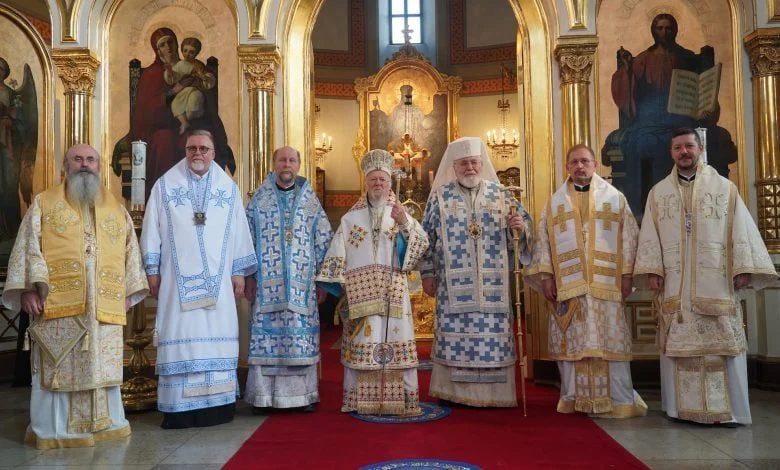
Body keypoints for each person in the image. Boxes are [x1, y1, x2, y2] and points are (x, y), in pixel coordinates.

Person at [2, 144, 148, 449]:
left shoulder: (115, 208)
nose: (84, 165)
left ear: (99, 166)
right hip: (56, 305)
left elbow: (130, 254)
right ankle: (55, 431)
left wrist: (124, 293)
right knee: (58, 366)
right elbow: (28, 248)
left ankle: (105, 425)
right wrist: (29, 288)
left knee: (100, 364)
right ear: (65, 167)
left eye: (90, 159)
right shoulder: (44, 203)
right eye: (77, 159)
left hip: (102, 307)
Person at [634, 127, 779, 425]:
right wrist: (652, 269)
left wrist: (743, 268)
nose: (683, 152)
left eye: (689, 146)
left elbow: (741, 229)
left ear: (700, 148)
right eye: (678, 148)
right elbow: (650, 234)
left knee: (723, 344)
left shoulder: (725, 188)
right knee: (679, 345)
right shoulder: (658, 193)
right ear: (671, 153)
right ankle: (679, 409)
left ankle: (730, 413)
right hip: (676, 284)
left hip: (717, 283)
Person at [141, 130, 257, 428]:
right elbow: (151, 229)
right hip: (175, 286)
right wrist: (152, 269)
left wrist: (239, 273)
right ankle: (180, 410)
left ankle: (216, 407)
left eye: (204, 148)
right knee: (180, 334)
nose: (198, 154)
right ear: (185, 150)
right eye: (192, 148)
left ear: (214, 153)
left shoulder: (227, 189)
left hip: (218, 288)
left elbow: (239, 233)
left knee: (217, 338)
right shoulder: (165, 186)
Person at [524, 144, 647, 418]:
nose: (580, 167)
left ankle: (619, 400)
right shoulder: (555, 203)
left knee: (608, 342)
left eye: (585, 161)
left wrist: (627, 275)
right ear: (567, 167)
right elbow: (543, 242)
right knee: (574, 343)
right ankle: (573, 398)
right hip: (570, 286)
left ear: (595, 165)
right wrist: (546, 277)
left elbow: (629, 238)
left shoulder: (615, 199)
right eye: (574, 162)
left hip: (607, 286)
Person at [420, 136, 532, 407]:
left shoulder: (502, 195)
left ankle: (494, 395)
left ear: (481, 164)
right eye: (464, 163)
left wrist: (520, 228)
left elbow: (522, 233)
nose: (469, 167)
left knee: (491, 336)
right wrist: (427, 273)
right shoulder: (440, 198)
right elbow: (426, 239)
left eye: (473, 162)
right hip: (452, 285)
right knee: (455, 334)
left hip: (492, 285)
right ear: (454, 166)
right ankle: (454, 392)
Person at [316, 149, 429, 415]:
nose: (378, 184)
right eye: (373, 179)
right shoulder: (349, 219)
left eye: (383, 180)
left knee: (396, 340)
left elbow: (420, 246)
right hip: (361, 294)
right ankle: (360, 401)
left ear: (390, 183)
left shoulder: (400, 214)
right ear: (365, 182)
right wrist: (330, 284)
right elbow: (337, 252)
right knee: (364, 345)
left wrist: (405, 226)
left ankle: (400, 401)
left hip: (393, 293)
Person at [605, 13, 736, 216]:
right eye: (660, 28)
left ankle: (705, 208)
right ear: (653, 31)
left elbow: (704, 93)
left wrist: (705, 107)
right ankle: (644, 209)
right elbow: (627, 97)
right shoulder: (641, 60)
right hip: (650, 121)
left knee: (703, 140)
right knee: (644, 143)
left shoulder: (689, 59)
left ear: (675, 30)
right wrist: (627, 69)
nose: (664, 33)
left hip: (682, 120)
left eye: (668, 28)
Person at [244, 146, 333, 412]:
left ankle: (303, 396)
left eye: (292, 160)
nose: (287, 164)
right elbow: (246, 241)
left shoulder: (310, 201)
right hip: (265, 287)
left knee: (299, 340)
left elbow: (324, 240)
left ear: (298, 165)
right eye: (282, 159)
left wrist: (322, 281)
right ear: (274, 164)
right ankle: (263, 398)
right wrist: (248, 276)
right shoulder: (258, 201)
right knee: (267, 341)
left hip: (302, 287)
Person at [164, 37, 216, 135]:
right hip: (183, 90)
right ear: (182, 51)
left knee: (195, 100)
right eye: (185, 51)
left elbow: (209, 79)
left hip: (196, 90)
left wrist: (203, 76)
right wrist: (169, 71)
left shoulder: (199, 65)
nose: (187, 54)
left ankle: (189, 121)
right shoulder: (180, 65)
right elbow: (173, 78)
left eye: (191, 52)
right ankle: (184, 123)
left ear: (196, 53)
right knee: (175, 103)